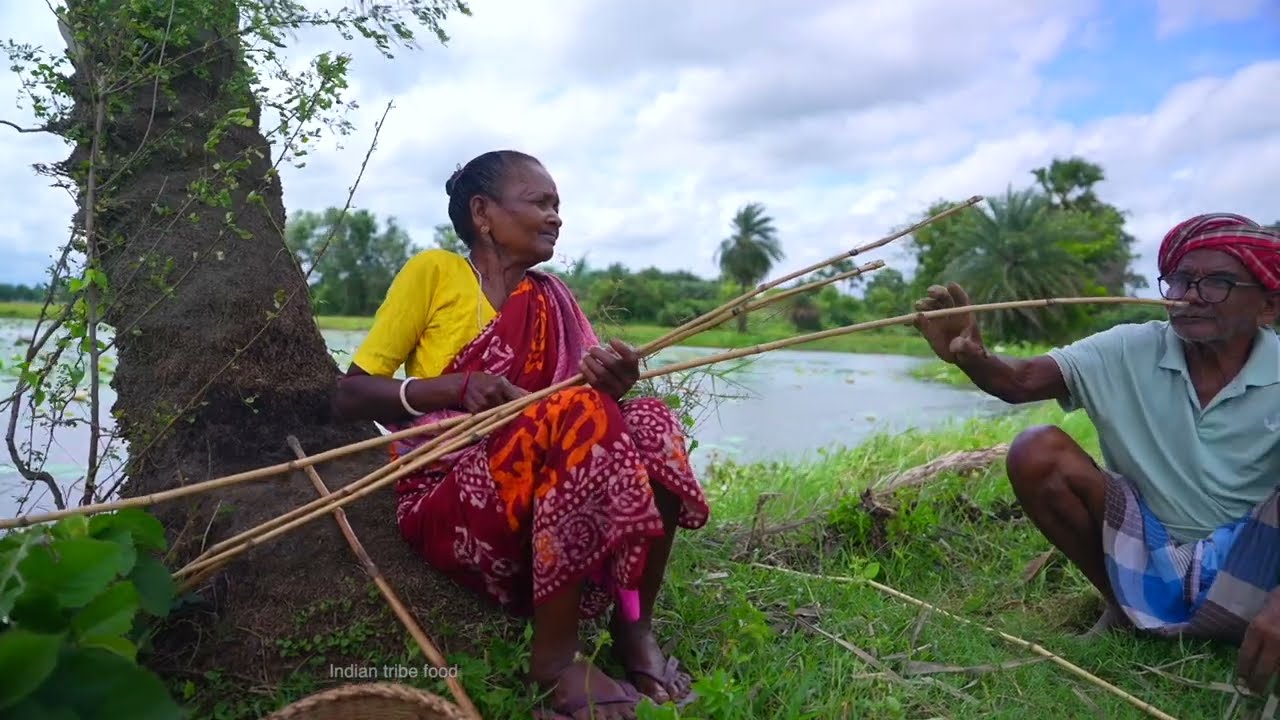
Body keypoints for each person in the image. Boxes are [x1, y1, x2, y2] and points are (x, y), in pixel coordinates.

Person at [332, 150, 710, 719]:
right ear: (482, 212)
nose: (556, 216)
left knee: (651, 421)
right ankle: (555, 660)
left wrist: (616, 384)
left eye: (558, 206)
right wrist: (453, 387)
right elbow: (351, 394)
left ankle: (633, 624)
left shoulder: (551, 295)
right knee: (577, 414)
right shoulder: (434, 272)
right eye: (541, 202)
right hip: (454, 492)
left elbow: (595, 417)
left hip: (547, 497)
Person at [911, 213, 1280, 693]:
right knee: (1036, 450)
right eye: (1181, 279)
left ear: (1269, 305)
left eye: (1217, 283)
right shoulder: (1128, 348)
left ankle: (1241, 618)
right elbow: (1019, 381)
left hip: (1253, 561)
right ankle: (1124, 606)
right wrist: (972, 355)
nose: (1190, 295)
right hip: (1150, 543)